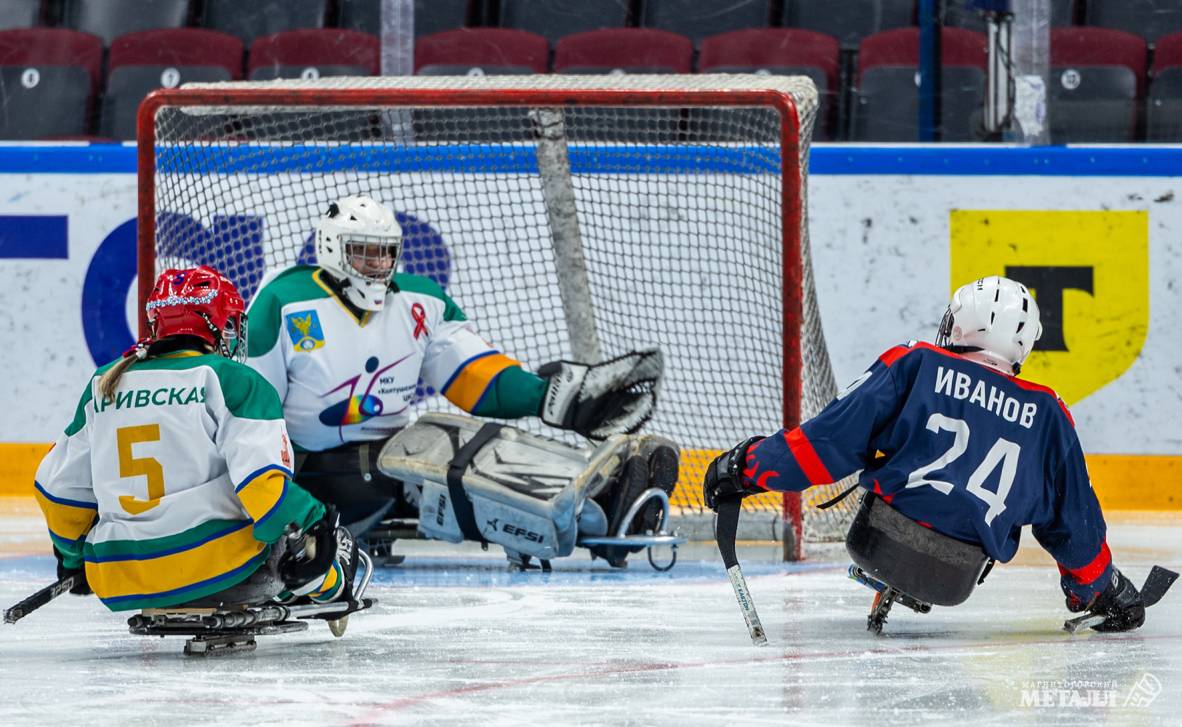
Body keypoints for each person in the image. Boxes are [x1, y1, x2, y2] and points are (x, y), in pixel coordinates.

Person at [704, 275, 1145, 632]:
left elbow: (826, 444)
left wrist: (745, 468)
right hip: (956, 577)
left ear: (959, 325)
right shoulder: (1049, 414)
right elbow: (1075, 523)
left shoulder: (916, 362)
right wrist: (1099, 589)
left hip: (877, 541)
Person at [246, 194, 663, 547]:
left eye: (385, 252)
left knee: (469, 447)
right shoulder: (283, 301)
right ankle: (593, 517)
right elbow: (250, 410)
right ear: (333, 248)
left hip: (391, 459)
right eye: (364, 251)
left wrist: (548, 397)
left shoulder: (420, 300)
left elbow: (473, 373)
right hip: (312, 476)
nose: (377, 264)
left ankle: (603, 494)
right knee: (453, 479)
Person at [34, 265, 358, 617]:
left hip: (120, 578)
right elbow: (265, 492)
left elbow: (59, 492)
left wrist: (73, 558)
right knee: (315, 532)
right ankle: (328, 590)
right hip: (224, 575)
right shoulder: (234, 380)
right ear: (216, 324)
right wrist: (315, 524)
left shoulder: (103, 383)